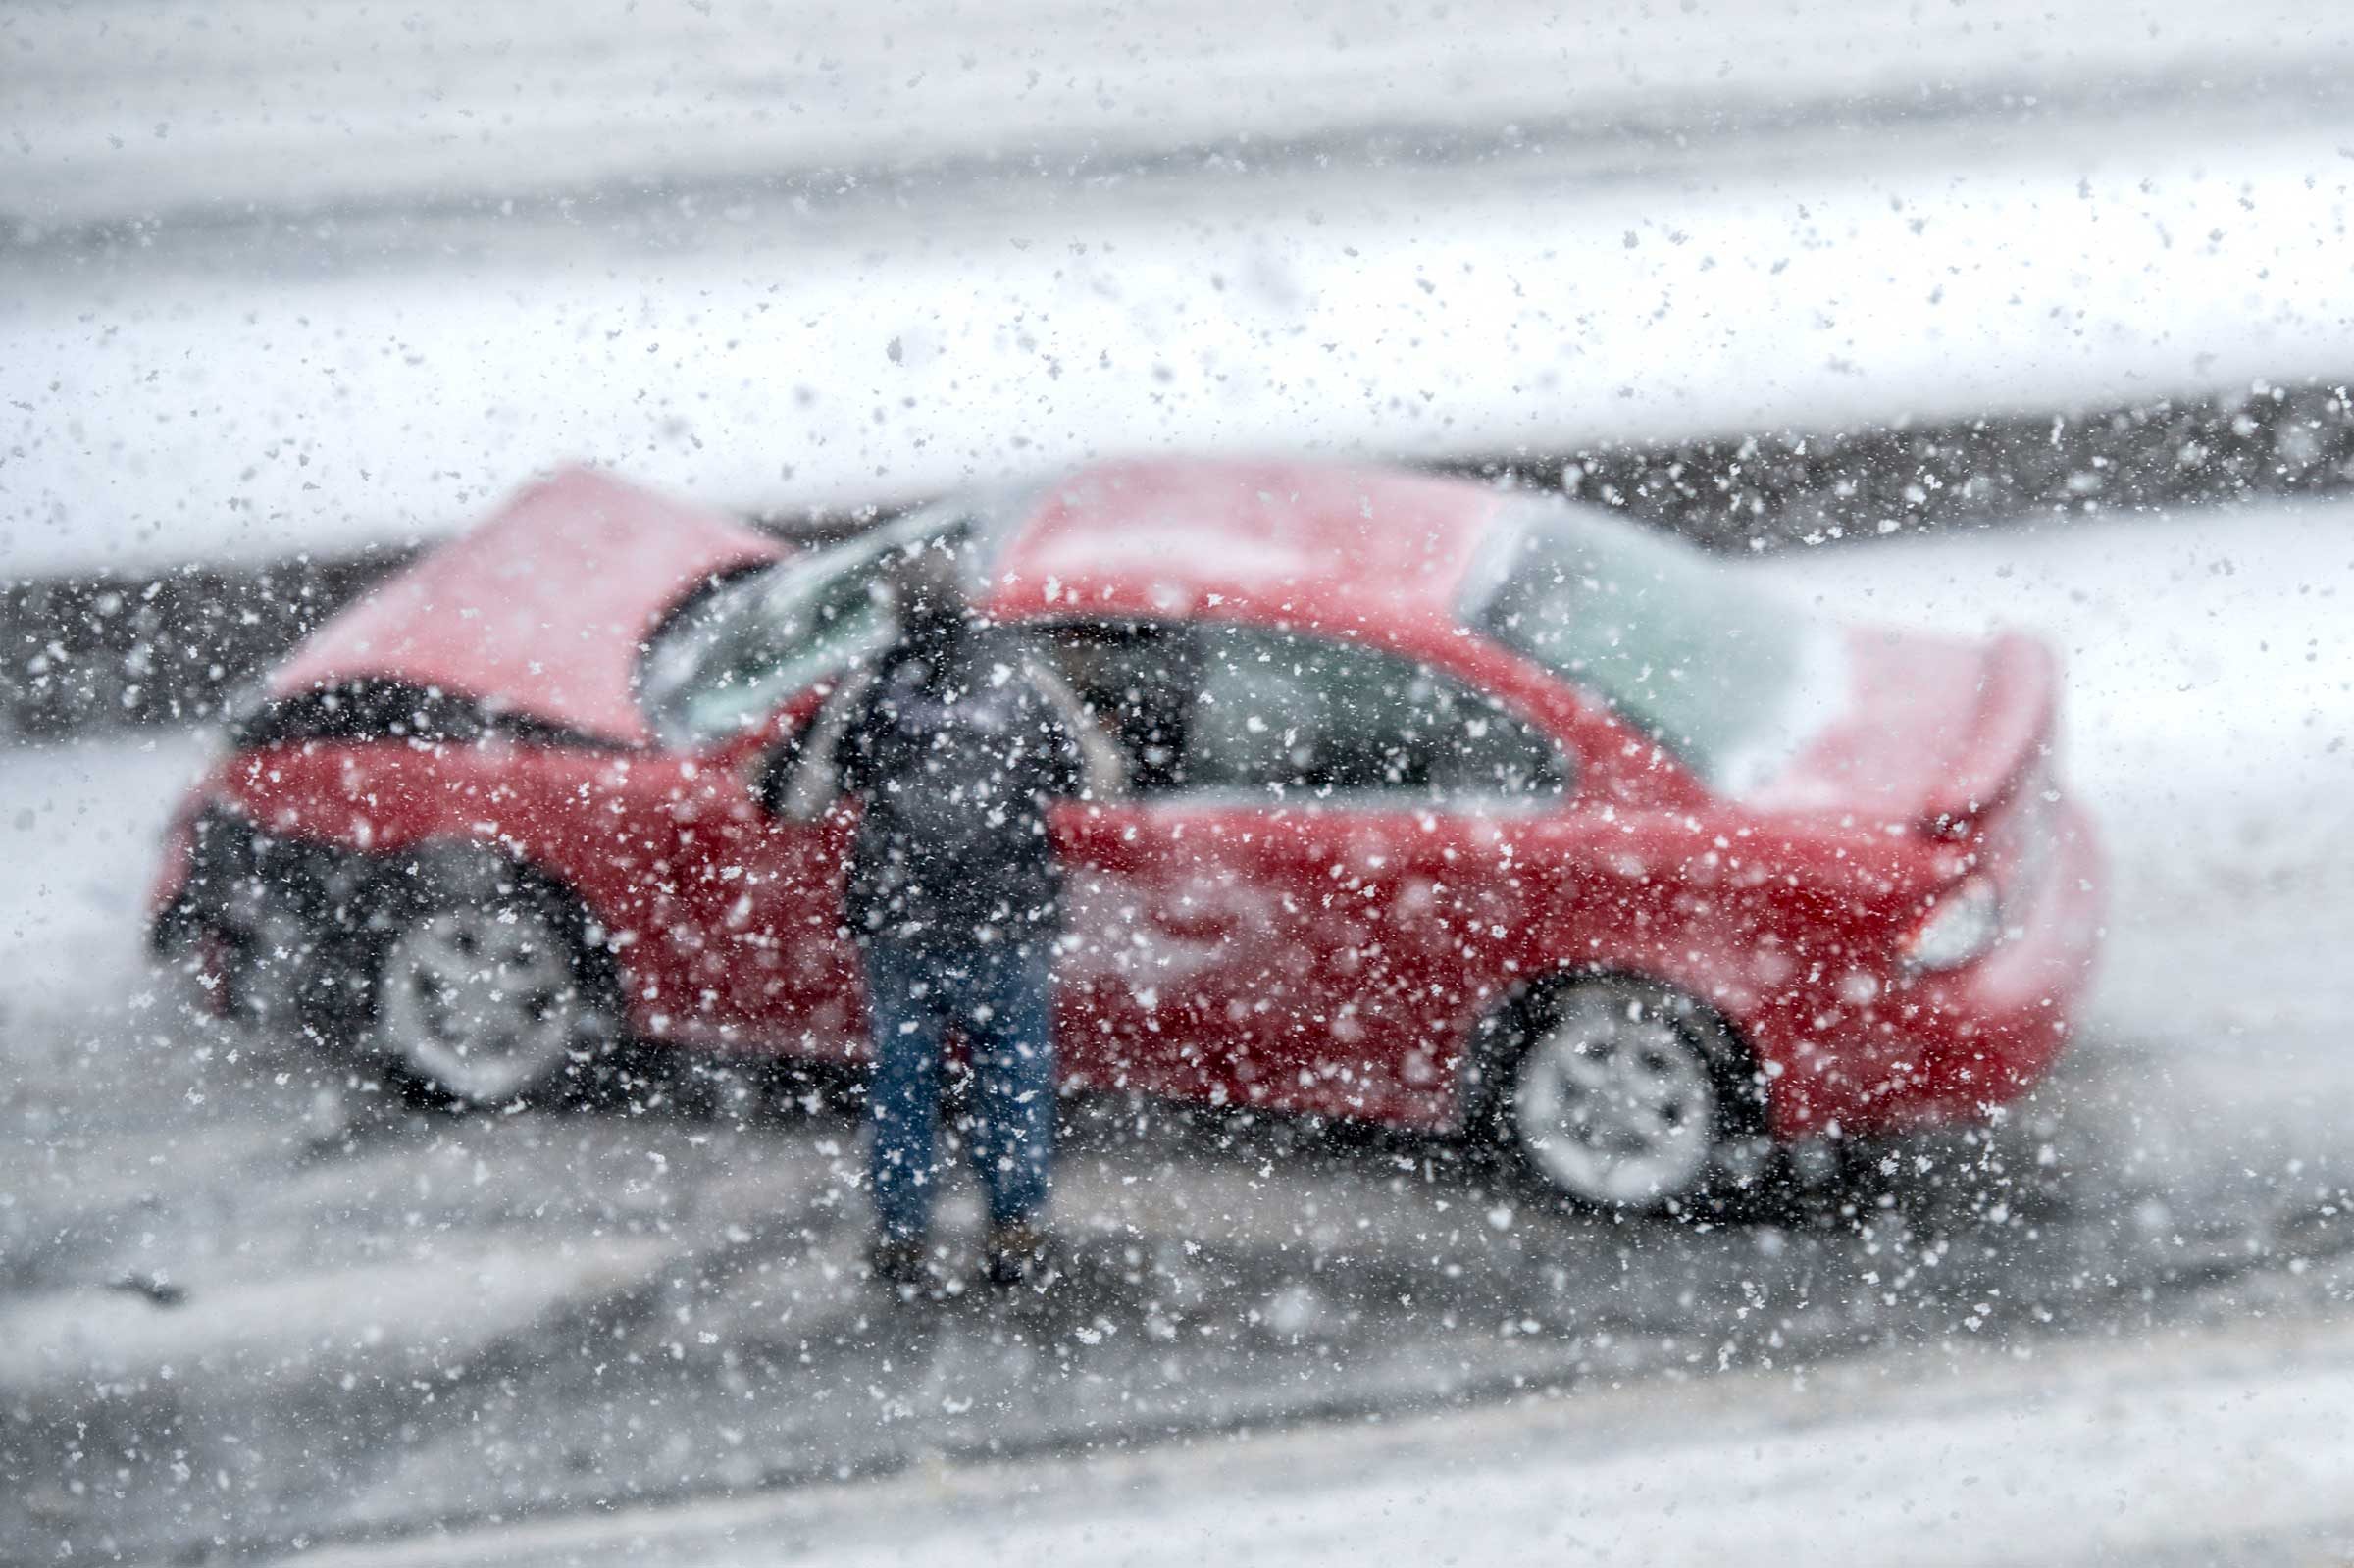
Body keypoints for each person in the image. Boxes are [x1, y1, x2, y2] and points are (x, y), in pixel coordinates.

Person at [829, 535, 1087, 1292]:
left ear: (894, 609)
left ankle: (903, 1235)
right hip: (1006, 912)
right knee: (1013, 1073)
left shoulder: (875, 683)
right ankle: (1015, 1231)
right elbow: (1085, 773)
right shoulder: (1021, 677)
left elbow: (816, 787)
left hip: (903, 914)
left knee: (903, 1078)